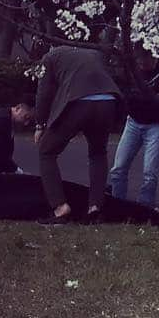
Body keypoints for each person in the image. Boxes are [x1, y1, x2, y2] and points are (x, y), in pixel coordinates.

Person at [34, 41, 121, 224]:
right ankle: (95, 207)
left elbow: (44, 93)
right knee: (98, 153)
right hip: (108, 100)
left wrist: (40, 124)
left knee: (47, 152)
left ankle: (60, 207)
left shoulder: (50, 57)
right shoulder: (93, 53)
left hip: (78, 103)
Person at [107, 46, 159, 207]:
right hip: (133, 121)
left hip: (157, 124)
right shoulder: (132, 67)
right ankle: (117, 203)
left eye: (144, 63)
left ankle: (145, 206)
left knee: (150, 173)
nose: (142, 67)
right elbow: (124, 89)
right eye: (138, 63)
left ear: (153, 57)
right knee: (118, 168)